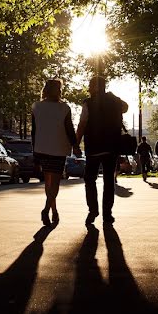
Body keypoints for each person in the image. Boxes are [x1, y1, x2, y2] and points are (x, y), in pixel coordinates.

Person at [76, 76, 128, 225]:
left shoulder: (88, 103)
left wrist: (76, 144)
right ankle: (107, 214)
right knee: (108, 181)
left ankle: (93, 210)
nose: (89, 88)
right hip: (111, 148)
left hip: (93, 148)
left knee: (90, 179)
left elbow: (82, 124)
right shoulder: (114, 101)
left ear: (95, 87)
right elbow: (125, 107)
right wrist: (113, 97)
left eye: (91, 85)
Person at [32, 79, 77, 225]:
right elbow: (69, 129)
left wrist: (35, 151)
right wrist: (75, 146)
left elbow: (34, 131)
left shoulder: (36, 107)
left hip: (42, 148)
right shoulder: (64, 108)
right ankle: (46, 209)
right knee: (55, 184)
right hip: (58, 148)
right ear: (58, 90)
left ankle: (54, 211)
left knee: (48, 182)